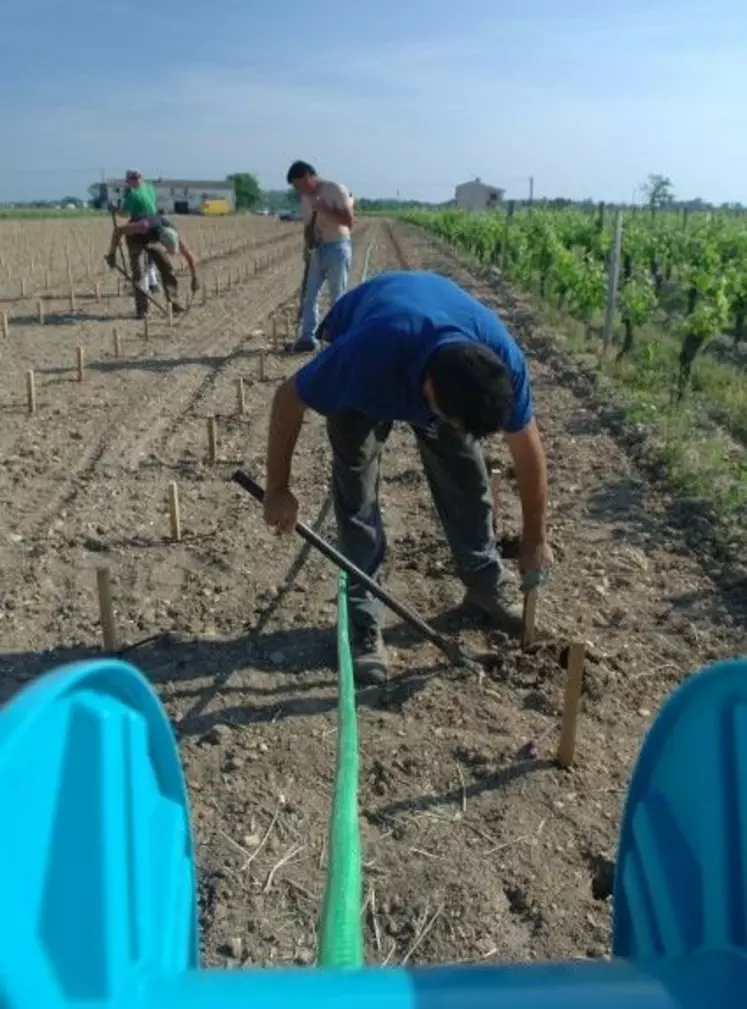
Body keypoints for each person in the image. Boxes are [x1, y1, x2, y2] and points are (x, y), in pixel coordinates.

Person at [262, 270, 553, 686]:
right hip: (372, 340)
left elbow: (528, 454)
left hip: (430, 337)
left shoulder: (501, 360)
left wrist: (535, 539)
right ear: (430, 391)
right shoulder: (363, 357)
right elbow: (287, 399)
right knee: (356, 486)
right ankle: (363, 617)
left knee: (466, 476)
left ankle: (484, 587)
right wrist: (278, 488)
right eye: (448, 416)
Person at [105, 170, 199, 318]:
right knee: (139, 274)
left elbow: (190, 255)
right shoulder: (142, 225)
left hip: (151, 236)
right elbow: (118, 231)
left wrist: (195, 278)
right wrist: (112, 254)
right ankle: (142, 310)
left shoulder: (169, 229)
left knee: (166, 267)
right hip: (136, 237)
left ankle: (173, 304)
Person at [285, 160, 354, 352]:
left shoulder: (335, 190)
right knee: (310, 295)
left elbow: (349, 221)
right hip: (317, 250)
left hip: (338, 248)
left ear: (308, 176)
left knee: (336, 295)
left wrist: (323, 208)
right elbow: (308, 226)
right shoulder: (305, 199)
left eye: (299, 185)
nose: (299, 190)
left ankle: (338, 339)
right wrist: (307, 246)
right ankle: (307, 337)